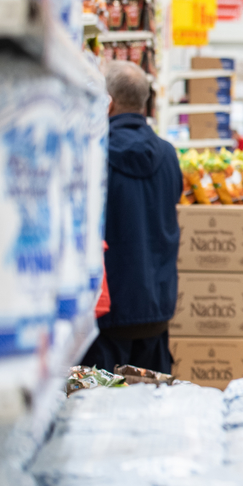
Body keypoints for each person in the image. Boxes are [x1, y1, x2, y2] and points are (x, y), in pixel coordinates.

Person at [80, 61, 182, 374]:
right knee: (149, 410)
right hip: (156, 308)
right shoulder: (168, 155)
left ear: (106, 101)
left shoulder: (94, 153)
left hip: (108, 314)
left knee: (98, 410)